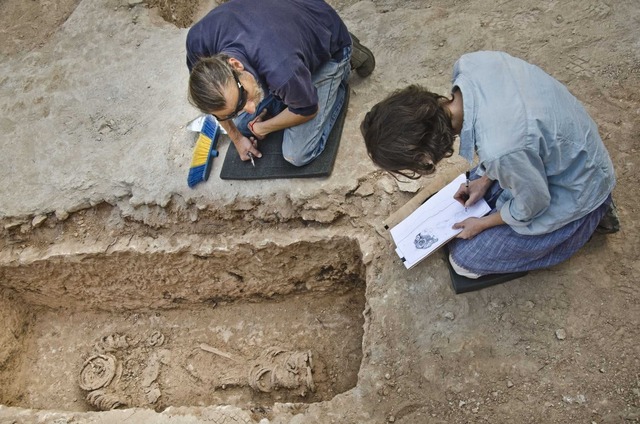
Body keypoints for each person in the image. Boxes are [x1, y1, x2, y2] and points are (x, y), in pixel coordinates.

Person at [361, 51, 619, 279]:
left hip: (580, 185)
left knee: (465, 259)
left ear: (425, 153)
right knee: (476, 187)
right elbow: (506, 140)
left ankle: (586, 223)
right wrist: (484, 180)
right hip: (554, 149)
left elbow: (535, 203)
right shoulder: (469, 65)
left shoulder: (501, 150)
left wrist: (482, 224)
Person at [186, 0, 375, 167]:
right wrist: (237, 138)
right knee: (243, 124)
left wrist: (263, 127)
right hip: (285, 27)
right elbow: (215, 108)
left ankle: (342, 66)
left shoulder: (280, 68)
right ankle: (299, 78)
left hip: (322, 30)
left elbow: (307, 110)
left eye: (244, 97)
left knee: (297, 154)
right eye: (238, 107)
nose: (251, 108)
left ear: (235, 65)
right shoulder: (198, 44)